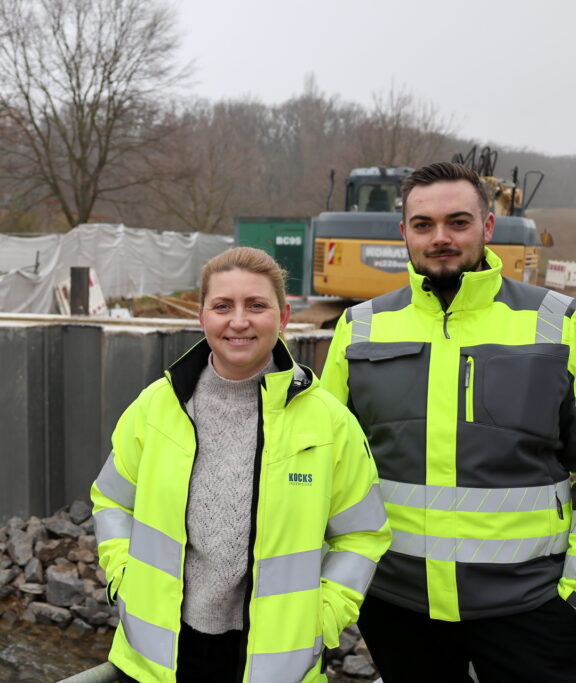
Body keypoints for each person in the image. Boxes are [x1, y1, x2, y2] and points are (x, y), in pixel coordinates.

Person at [320, 161, 576, 682]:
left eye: (458, 222)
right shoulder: (359, 328)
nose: (440, 238)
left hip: (531, 604)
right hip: (398, 605)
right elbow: (326, 468)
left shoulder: (557, 323)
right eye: (423, 225)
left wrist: (571, 587)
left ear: (487, 227)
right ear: (404, 233)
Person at [90, 247, 391, 682]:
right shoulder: (157, 406)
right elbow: (112, 500)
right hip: (162, 655)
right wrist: (123, 576)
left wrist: (322, 617)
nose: (238, 321)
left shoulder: (330, 423)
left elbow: (362, 534)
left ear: (284, 316)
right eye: (222, 306)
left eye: (256, 305)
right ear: (202, 317)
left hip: (277, 659)